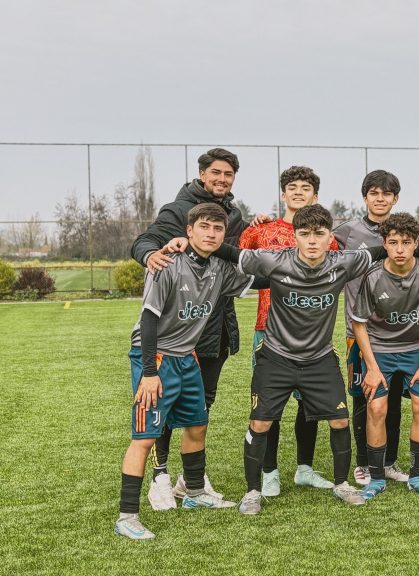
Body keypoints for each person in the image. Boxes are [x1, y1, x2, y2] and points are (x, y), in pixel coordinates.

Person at [233, 204, 419, 514]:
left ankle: (342, 483)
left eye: (319, 234)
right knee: (260, 423)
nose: (312, 241)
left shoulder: (343, 262)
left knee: (340, 420)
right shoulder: (274, 260)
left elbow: (388, 247)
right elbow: (229, 255)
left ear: (331, 237)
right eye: (305, 235)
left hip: (320, 358)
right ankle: (252, 492)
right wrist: (190, 244)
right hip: (276, 356)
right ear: (295, 237)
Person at [115, 203, 254, 540]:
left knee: (197, 425)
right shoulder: (166, 264)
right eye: (204, 227)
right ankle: (127, 516)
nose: (211, 233)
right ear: (188, 231)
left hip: (186, 357)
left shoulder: (221, 267)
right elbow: (148, 320)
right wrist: (149, 372)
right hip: (156, 358)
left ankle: (194, 493)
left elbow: (260, 276)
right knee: (145, 438)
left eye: (217, 229)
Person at [130, 147, 244, 509]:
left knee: (201, 409)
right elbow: (145, 242)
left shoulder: (234, 214)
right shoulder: (179, 209)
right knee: (162, 407)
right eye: (216, 173)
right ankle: (160, 476)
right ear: (202, 173)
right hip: (175, 330)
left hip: (215, 322)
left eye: (228, 174)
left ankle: (192, 481)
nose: (221, 179)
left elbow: (237, 262)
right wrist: (152, 254)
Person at [238, 166, 338, 496]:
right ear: (283, 194)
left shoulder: (327, 237)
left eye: (305, 187)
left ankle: (305, 468)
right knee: (269, 406)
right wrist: (251, 224)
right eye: (291, 187)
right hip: (268, 328)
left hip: (312, 332)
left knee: (311, 403)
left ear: (315, 196)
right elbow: (237, 256)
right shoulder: (263, 230)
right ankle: (269, 471)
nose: (298, 192)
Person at [335, 170, 419, 486]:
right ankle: (365, 464)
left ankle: (389, 462)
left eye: (386, 194)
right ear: (365, 197)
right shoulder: (346, 231)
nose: (380, 199)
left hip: (405, 332)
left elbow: (416, 240)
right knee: (364, 397)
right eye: (374, 193)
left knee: (392, 400)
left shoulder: (408, 231)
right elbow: (315, 235)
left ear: (395, 198)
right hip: (362, 329)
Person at [349, 213, 419, 499]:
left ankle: (418, 477)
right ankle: (376, 478)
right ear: (384, 244)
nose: (400, 249)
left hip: (416, 349)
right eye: (393, 242)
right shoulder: (372, 276)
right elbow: (359, 323)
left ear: (417, 243)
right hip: (380, 350)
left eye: (406, 242)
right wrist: (372, 367)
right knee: (376, 408)